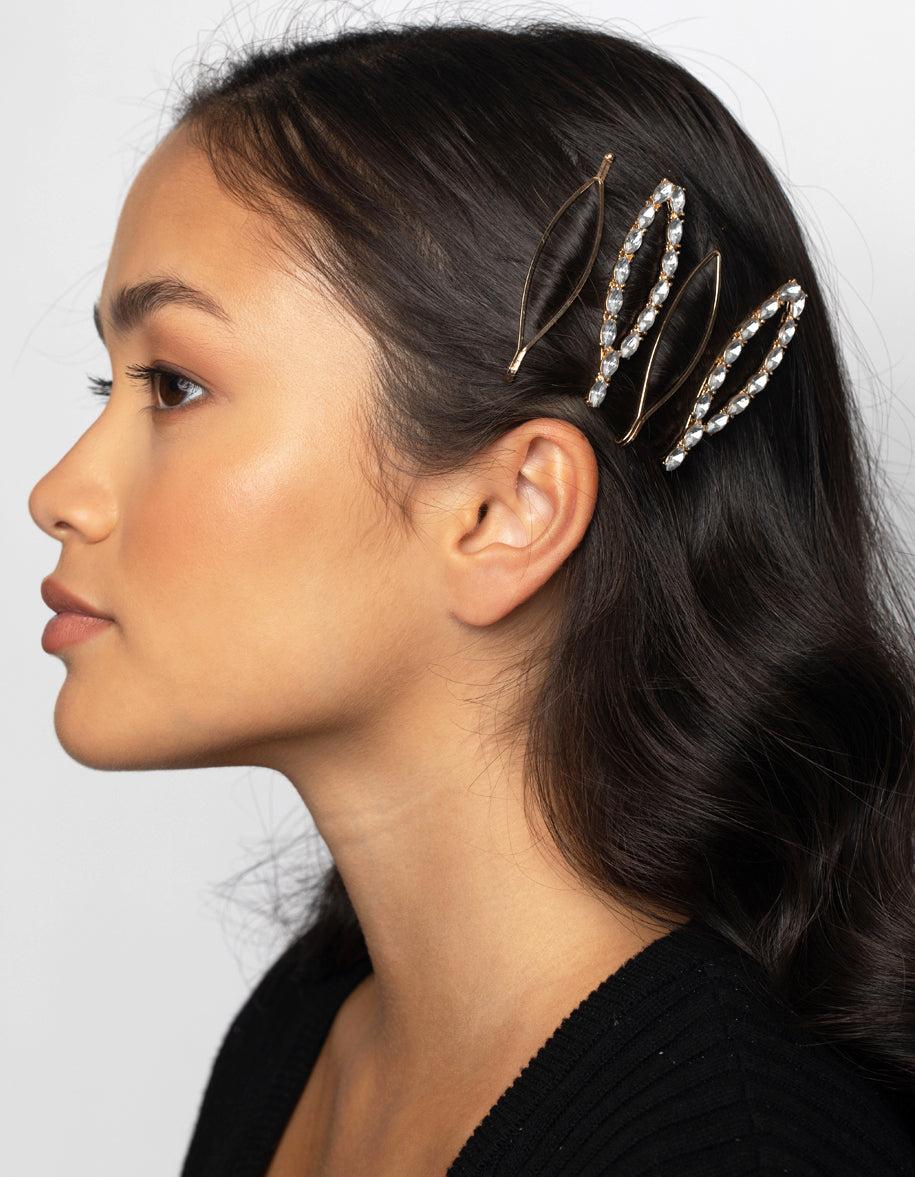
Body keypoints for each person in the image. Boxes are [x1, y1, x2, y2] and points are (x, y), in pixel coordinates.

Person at [29, 20, 915, 1177]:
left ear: (508, 511)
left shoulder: (731, 1146)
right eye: (107, 381)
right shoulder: (309, 1027)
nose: (60, 494)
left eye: (175, 386)